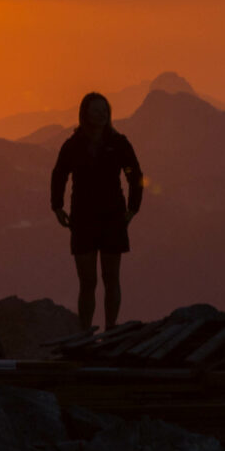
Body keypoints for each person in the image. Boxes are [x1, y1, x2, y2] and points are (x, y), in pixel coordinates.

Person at [50, 92, 144, 331]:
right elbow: (59, 174)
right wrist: (57, 206)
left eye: (105, 110)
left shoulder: (119, 143)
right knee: (88, 281)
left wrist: (133, 207)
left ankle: (111, 328)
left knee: (111, 279)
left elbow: (134, 175)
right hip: (82, 218)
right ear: (85, 114)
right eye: (96, 110)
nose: (102, 114)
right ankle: (85, 331)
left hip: (113, 216)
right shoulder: (73, 145)